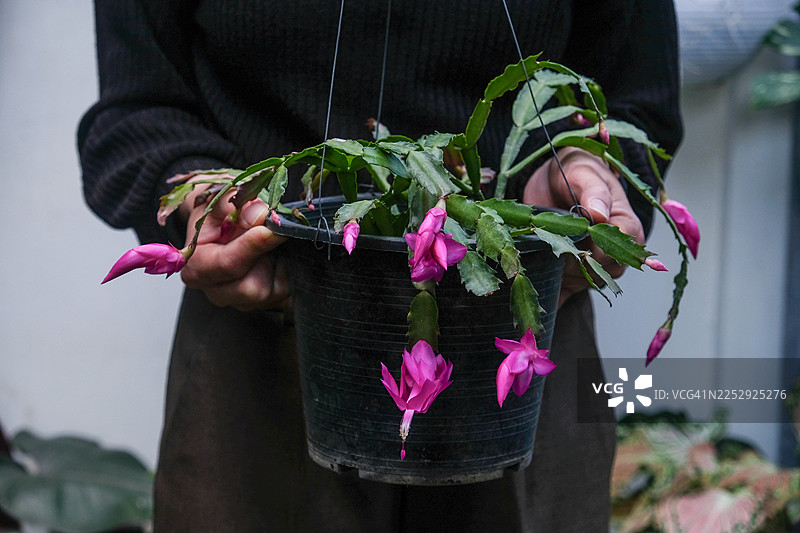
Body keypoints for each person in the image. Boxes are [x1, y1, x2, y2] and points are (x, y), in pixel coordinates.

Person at [79, 1, 683, 531]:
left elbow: (639, 97)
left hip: (524, 342)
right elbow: (137, 110)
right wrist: (200, 192)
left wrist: (589, 170)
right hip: (257, 349)